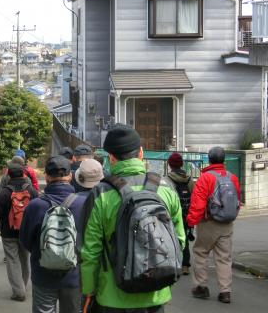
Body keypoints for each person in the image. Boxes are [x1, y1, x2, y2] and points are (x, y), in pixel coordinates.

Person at [81, 125, 185, 312]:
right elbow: (179, 241)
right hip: (155, 295)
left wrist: (89, 290)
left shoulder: (101, 193)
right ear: (141, 152)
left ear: (111, 158)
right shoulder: (166, 188)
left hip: (113, 297)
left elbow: (90, 251)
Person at [20, 155, 87, 313]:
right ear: (70, 176)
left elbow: (25, 241)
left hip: (43, 273)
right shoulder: (83, 204)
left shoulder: (35, 205)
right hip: (74, 275)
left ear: (46, 176)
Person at [187, 146, 241, 304]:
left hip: (208, 223)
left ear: (209, 159)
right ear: (223, 159)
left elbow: (197, 203)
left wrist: (191, 221)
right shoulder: (232, 177)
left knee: (200, 253)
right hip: (227, 223)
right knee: (224, 258)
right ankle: (225, 292)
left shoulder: (206, 178)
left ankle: (201, 287)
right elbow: (237, 201)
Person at [0, 162, 38, 301]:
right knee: (25, 259)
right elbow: (38, 212)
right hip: (27, 232)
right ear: (24, 174)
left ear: (8, 175)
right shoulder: (32, 191)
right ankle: (22, 285)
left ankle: (18, 291)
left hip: (8, 232)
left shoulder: (5, 192)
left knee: (12, 261)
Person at [165, 152, 195, 275]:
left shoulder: (167, 180)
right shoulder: (189, 179)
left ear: (169, 165)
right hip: (187, 213)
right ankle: (185, 266)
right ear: (182, 164)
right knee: (185, 239)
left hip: (172, 213)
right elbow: (194, 196)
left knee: (170, 237)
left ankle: (172, 264)